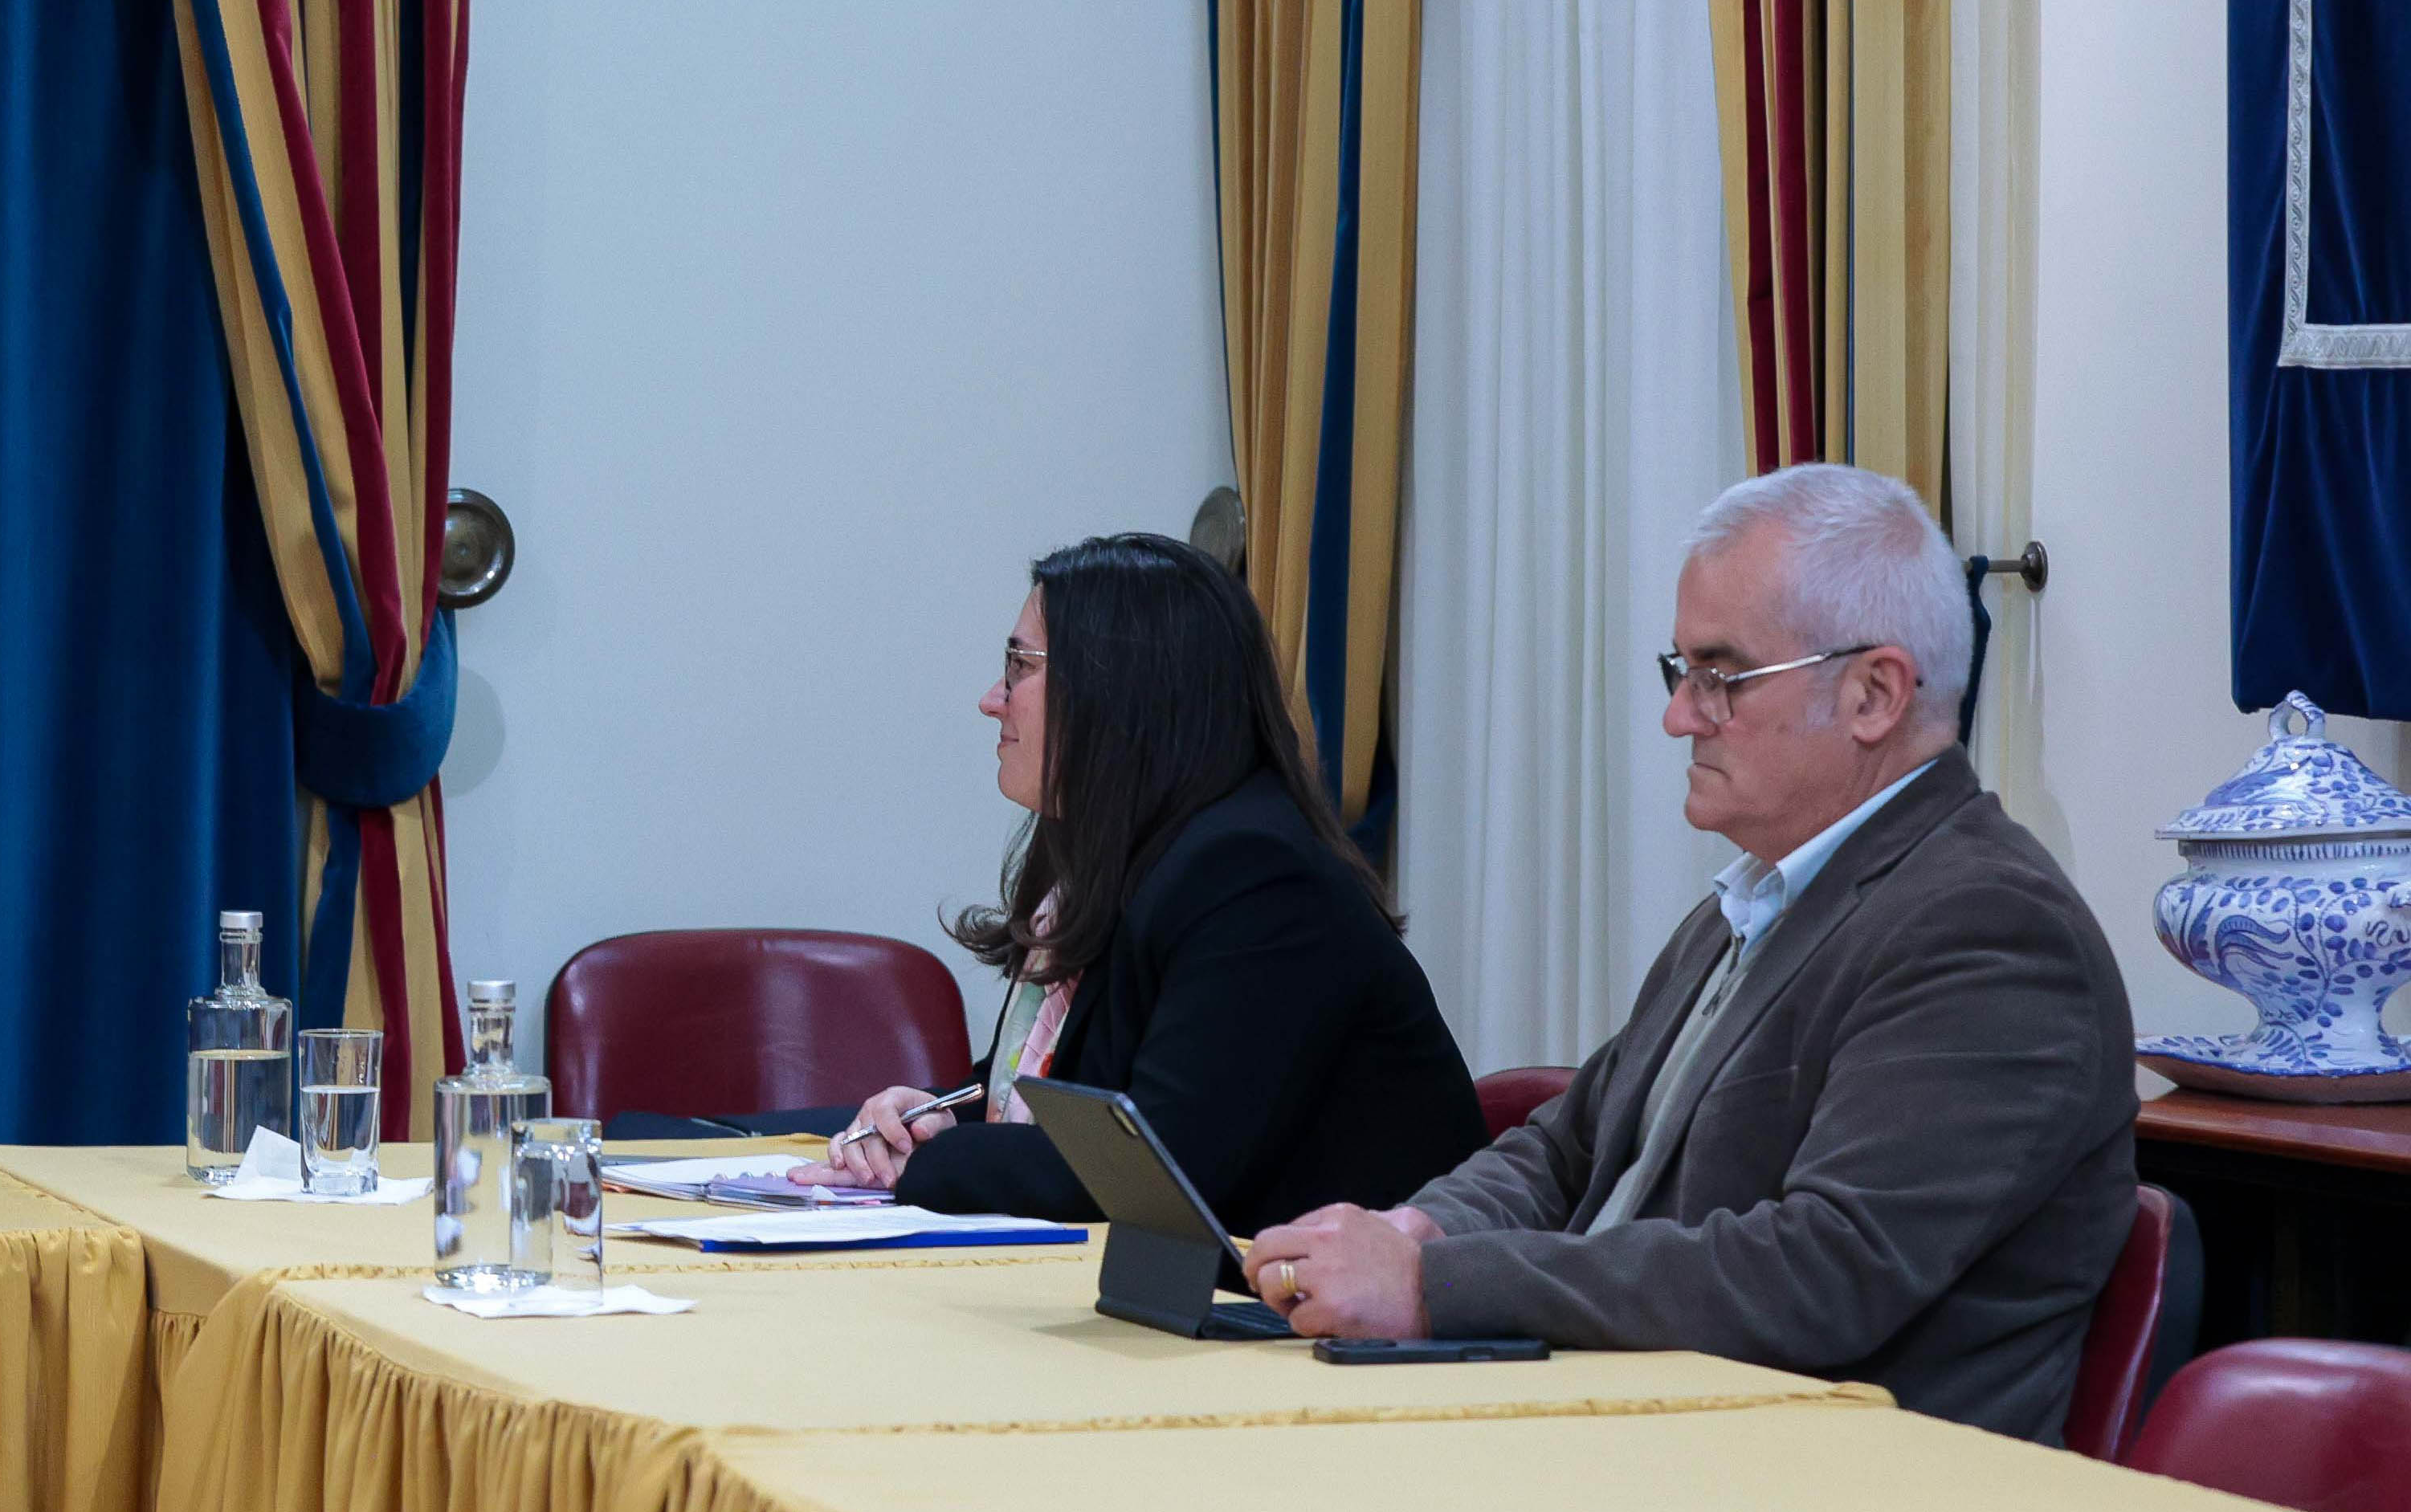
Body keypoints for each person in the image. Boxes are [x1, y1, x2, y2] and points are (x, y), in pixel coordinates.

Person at [1243, 465, 2134, 1441]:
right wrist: (1418, 1231)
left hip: (1835, 1499)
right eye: (1681, 675)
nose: (1679, 716)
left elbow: (1821, 1271)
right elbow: (1566, 1147)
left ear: (1875, 693)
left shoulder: (1991, 929)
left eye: (1721, 678)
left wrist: (1436, 1287)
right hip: (1647, 1434)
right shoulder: (1756, 896)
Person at [806, 532, 1485, 1229]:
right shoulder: (1137, 855)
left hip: (1344, 1321)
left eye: (1019, 666)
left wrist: (936, 1163)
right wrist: (922, 1117)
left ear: (1118, 690)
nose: (992, 699)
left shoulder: (1256, 877)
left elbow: (1153, 1167)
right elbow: (1064, 1099)